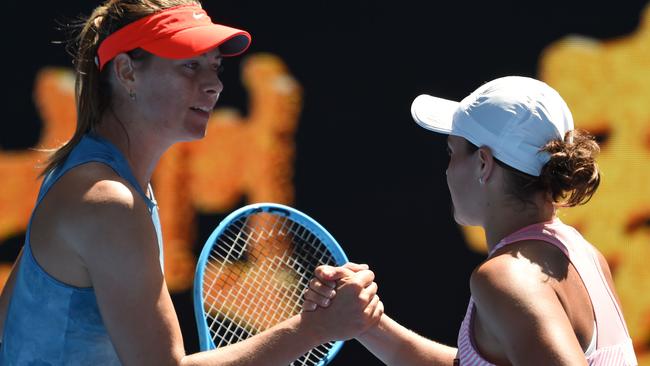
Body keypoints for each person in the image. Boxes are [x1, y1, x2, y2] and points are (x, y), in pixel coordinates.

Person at [0, 1, 382, 364]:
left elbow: (10, 317)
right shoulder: (108, 201)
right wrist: (315, 329)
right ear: (127, 71)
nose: (213, 84)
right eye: (190, 66)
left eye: (214, 67)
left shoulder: (86, 176)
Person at [305, 76, 638, 365]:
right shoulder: (584, 255)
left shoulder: (506, 279)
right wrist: (367, 324)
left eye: (451, 153)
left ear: (483, 163)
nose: (447, 170)